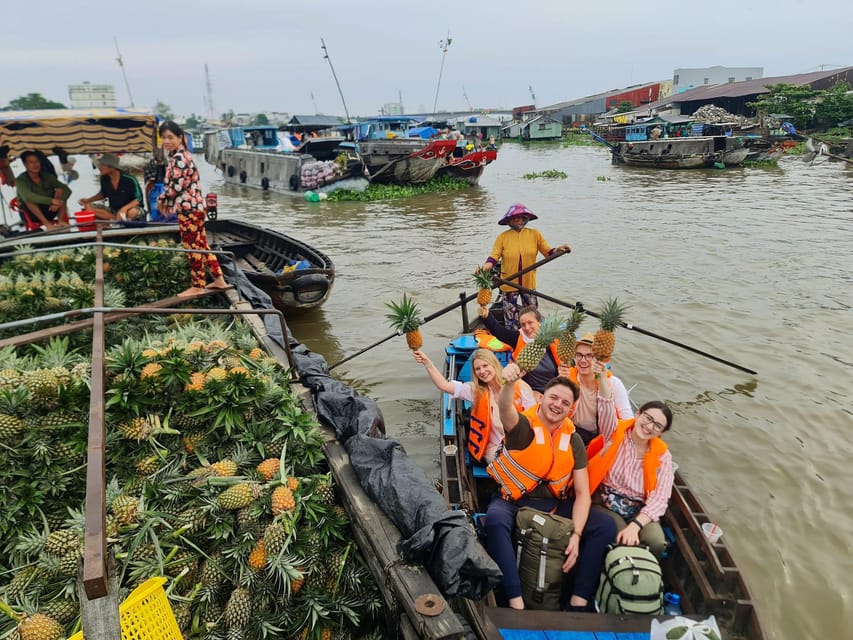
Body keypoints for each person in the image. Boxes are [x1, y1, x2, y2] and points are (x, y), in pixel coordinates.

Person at [485, 364, 616, 611]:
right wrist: (508, 384)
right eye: (553, 398)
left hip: (553, 506)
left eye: (565, 403)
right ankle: (515, 600)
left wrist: (576, 535)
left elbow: (582, 494)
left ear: (571, 409)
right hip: (514, 502)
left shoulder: (573, 439)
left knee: (605, 526)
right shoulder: (524, 427)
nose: (558, 405)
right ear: (542, 398)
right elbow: (505, 409)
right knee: (494, 520)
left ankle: (579, 600)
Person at [412, 348, 536, 463]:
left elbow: (535, 419)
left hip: (522, 442)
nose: (482, 371)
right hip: (495, 446)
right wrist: (427, 363)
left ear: (494, 365)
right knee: (510, 463)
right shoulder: (475, 390)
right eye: (477, 369)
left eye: (485, 366)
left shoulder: (520, 387)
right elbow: (444, 386)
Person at [587, 399, 674, 558]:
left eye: (658, 425)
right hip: (606, 503)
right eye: (648, 418)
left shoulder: (663, 456)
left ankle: (645, 577)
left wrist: (636, 524)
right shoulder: (614, 434)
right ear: (638, 413)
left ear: (661, 432)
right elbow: (605, 408)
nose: (649, 426)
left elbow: (660, 498)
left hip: (639, 509)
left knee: (656, 543)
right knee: (623, 541)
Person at [157, 121, 228, 297]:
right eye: (163, 137)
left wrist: (161, 200)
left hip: (189, 210)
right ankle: (219, 279)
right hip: (195, 208)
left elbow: (177, 186)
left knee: (192, 247)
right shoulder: (182, 155)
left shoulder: (179, 158)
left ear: (180, 137)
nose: (166, 141)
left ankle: (198, 285)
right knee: (202, 244)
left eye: (170, 137)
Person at [482, 202, 569, 330]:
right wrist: (485, 267)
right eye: (514, 218)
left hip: (528, 283)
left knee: (532, 315)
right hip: (509, 282)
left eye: (520, 217)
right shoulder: (502, 237)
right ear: (509, 221)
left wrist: (559, 250)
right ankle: (514, 340)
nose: (518, 220)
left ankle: (532, 340)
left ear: (525, 219)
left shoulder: (534, 234)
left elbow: (547, 251)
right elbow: (494, 257)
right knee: (510, 319)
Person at [477, 304, 563, 396]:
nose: (527, 328)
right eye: (523, 324)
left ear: (539, 322)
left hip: (555, 387)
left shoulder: (552, 339)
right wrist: (486, 316)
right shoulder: (517, 338)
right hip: (529, 390)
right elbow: (500, 332)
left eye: (530, 323)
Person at [567, 333, 634, 445]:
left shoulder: (613, 384)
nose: (583, 360)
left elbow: (627, 419)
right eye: (579, 355)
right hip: (572, 431)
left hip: (600, 437)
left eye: (590, 356)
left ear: (599, 359)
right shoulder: (568, 377)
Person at [78, 153, 144, 221]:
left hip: (130, 209)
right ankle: (116, 220)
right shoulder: (104, 178)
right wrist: (88, 200)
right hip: (113, 210)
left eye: (102, 165)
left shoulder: (130, 180)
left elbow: (138, 199)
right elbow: (103, 193)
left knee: (132, 212)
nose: (99, 167)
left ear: (111, 166)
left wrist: (124, 209)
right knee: (88, 207)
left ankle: (116, 220)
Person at [14, 150, 71, 228]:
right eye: (31, 162)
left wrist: (57, 201)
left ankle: (60, 221)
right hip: (31, 214)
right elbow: (28, 197)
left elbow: (66, 189)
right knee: (29, 201)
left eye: (37, 161)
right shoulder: (20, 180)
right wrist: (52, 201)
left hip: (49, 209)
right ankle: (47, 224)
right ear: (25, 164)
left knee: (61, 192)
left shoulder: (47, 176)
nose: (35, 165)